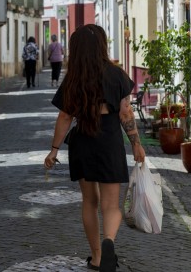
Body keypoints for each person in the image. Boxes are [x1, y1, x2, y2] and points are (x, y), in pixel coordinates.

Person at [44, 24, 145, 272]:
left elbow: (65, 118)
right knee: (111, 205)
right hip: (109, 141)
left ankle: (97, 257)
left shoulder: (73, 79)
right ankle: (109, 240)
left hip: (83, 143)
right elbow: (126, 112)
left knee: (89, 201)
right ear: (102, 45)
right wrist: (136, 144)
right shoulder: (116, 74)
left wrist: (54, 149)